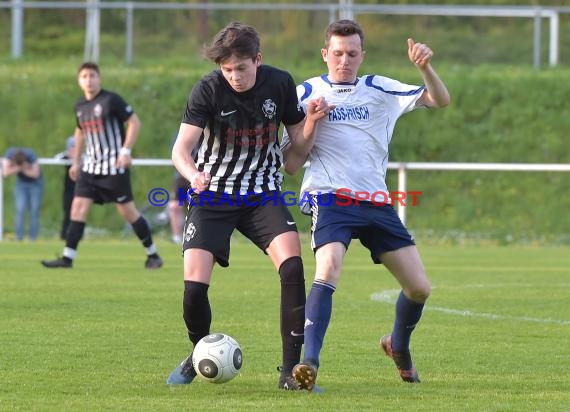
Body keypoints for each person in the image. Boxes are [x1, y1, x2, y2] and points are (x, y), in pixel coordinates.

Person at [282, 19, 450, 390]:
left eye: (352, 54)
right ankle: (308, 364)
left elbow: (440, 100)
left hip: (375, 202)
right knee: (328, 267)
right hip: (330, 198)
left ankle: (398, 346)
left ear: (362, 56)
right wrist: (310, 122)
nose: (344, 60)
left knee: (420, 289)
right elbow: (291, 160)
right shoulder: (304, 92)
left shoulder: (379, 88)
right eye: (337, 53)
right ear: (325, 54)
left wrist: (424, 67)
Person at [166, 21, 332, 390]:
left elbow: (295, 151)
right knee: (193, 289)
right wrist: (193, 174)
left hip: (262, 194)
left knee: (292, 268)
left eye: (241, 68)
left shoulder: (279, 83)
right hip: (212, 195)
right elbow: (180, 149)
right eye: (227, 69)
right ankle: (198, 353)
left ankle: (291, 373)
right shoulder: (208, 89)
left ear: (258, 59)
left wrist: (312, 121)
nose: (234, 76)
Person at [41, 62, 163, 269]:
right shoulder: (80, 106)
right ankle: (67, 258)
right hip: (90, 169)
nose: (89, 80)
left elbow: (134, 122)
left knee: (128, 212)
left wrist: (125, 151)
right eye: (84, 76)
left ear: (99, 78)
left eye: (92, 75)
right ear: (79, 81)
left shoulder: (111, 100)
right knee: (77, 209)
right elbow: (80, 133)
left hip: (114, 168)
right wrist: (76, 161)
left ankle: (153, 255)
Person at [1, 147, 44, 241]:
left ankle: (33, 238)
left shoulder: (31, 155)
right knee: (20, 209)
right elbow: (6, 173)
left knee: (34, 210)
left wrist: (20, 169)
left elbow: (35, 174)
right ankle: (18, 237)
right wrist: (21, 167)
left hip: (36, 184)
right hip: (21, 184)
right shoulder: (9, 154)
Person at [54, 135, 77, 240]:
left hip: (81, 188)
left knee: (79, 213)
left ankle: (77, 235)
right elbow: (56, 158)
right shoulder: (65, 157)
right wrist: (69, 155)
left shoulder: (85, 156)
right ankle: (64, 235)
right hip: (68, 190)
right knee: (68, 212)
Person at [168, 170, 190, 244]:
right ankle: (177, 237)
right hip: (182, 176)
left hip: (201, 176)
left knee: (200, 207)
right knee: (175, 207)